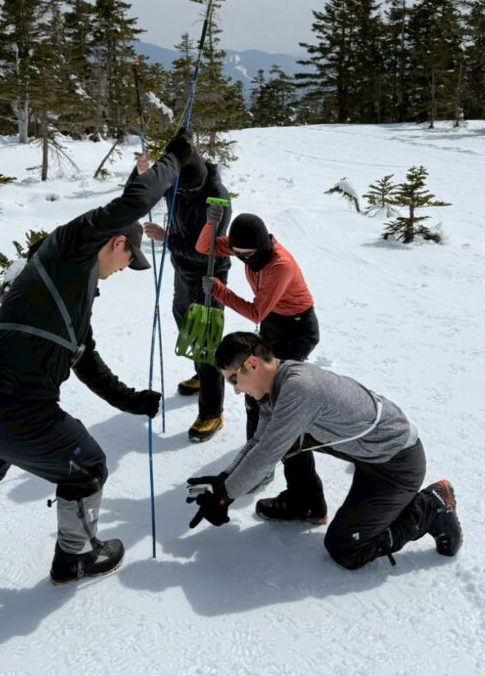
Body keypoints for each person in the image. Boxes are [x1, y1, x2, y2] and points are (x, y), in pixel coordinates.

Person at [0, 129, 194, 586]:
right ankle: (77, 558)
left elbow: (85, 359)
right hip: (16, 408)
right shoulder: (69, 248)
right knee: (87, 466)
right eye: (131, 261)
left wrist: (130, 401)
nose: (127, 269)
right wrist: (175, 159)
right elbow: (132, 205)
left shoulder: (75, 290)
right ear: (118, 244)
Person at [186, 332, 463, 570]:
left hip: (396, 465)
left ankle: (431, 507)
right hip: (368, 456)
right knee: (285, 437)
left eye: (234, 380)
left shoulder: (299, 389)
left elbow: (266, 455)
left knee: (345, 548)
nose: (235, 391)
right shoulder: (275, 387)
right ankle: (306, 502)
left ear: (253, 365)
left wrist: (224, 495)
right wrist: (225, 479)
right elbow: (260, 442)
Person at [196, 207, 319, 500]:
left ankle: (265, 464)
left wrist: (219, 292)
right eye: (238, 254)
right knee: (255, 396)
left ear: (262, 245)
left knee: (270, 398)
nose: (244, 258)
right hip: (274, 323)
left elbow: (255, 311)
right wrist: (210, 223)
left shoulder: (280, 266)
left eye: (248, 254)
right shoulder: (245, 248)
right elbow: (204, 247)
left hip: (297, 329)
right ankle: (257, 454)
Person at [137, 147, 231, 442]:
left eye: (187, 190)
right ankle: (203, 376)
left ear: (198, 184)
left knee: (206, 343)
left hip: (207, 275)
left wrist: (168, 239)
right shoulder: (178, 176)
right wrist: (143, 172)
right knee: (184, 321)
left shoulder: (217, 202)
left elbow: (206, 252)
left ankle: (212, 412)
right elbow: (152, 186)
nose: (180, 193)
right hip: (183, 270)